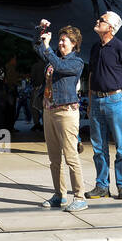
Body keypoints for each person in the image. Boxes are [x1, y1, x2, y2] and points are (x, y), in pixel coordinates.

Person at [85, 10, 122, 201]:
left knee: (121, 145)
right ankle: (102, 186)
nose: (97, 21)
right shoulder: (95, 48)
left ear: (110, 28)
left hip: (116, 100)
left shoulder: (120, 48)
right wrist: (90, 101)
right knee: (98, 147)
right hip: (97, 100)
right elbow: (92, 75)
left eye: (101, 20)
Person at [35, 21, 87, 211]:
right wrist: (41, 31)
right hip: (49, 110)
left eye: (65, 40)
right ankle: (59, 195)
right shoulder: (53, 56)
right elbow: (38, 47)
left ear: (74, 44)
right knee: (54, 158)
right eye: (60, 40)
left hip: (66, 112)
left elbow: (59, 66)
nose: (61, 43)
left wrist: (48, 48)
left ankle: (80, 197)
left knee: (71, 157)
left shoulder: (76, 62)